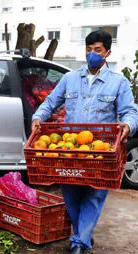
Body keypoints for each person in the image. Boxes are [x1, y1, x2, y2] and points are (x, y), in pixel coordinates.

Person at [32, 30, 138, 254]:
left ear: (107, 52)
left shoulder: (118, 83)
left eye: (97, 50)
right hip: (71, 150)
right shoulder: (70, 79)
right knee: (70, 194)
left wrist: (128, 126)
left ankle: (79, 243)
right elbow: (50, 102)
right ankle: (84, 234)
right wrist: (38, 117)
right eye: (88, 50)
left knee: (94, 194)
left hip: (101, 150)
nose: (92, 54)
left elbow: (130, 112)